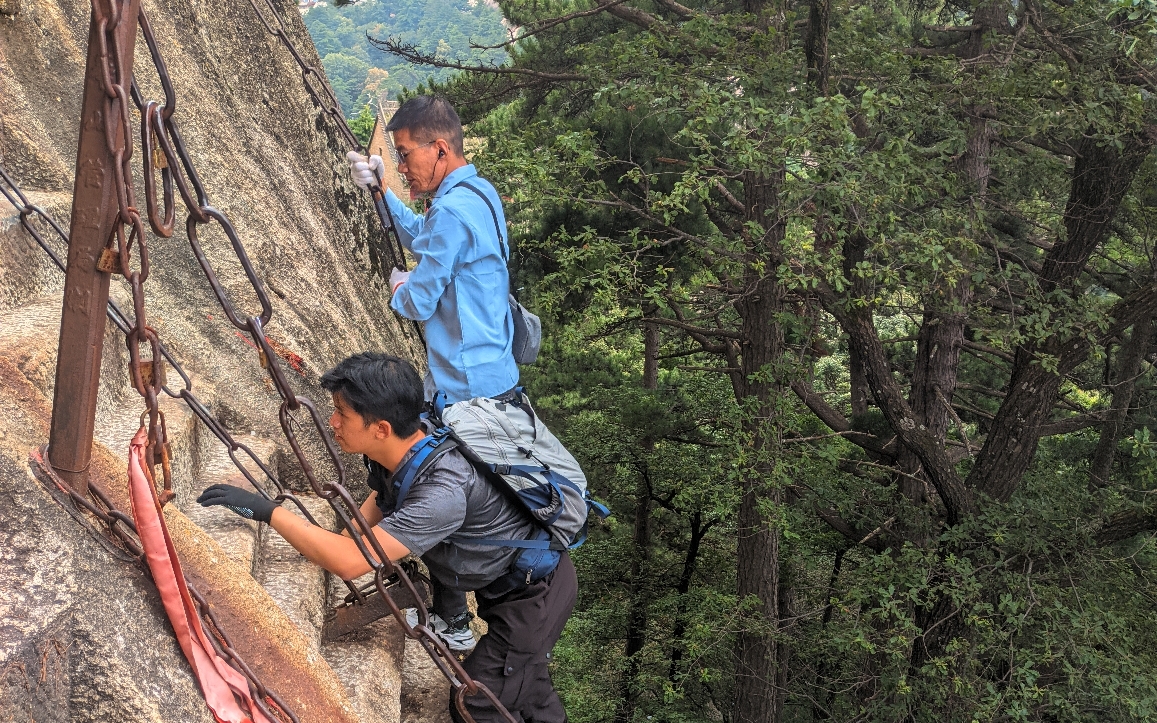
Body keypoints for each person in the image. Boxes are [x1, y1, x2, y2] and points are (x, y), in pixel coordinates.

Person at [198, 353, 577, 723]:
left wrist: (268, 512)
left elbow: (350, 559)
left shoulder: (442, 492)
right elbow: (366, 523)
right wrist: (338, 541)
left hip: (534, 597)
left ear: (380, 428)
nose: (332, 422)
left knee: (476, 702)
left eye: (341, 414)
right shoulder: (407, 447)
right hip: (510, 588)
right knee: (529, 683)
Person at [348, 95, 519, 649]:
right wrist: (382, 194)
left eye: (404, 155)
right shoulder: (479, 194)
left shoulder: (452, 209)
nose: (402, 166)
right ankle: (447, 608)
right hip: (495, 378)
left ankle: (452, 622)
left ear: (439, 148)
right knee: (422, 469)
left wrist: (399, 286)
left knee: (437, 489)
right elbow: (424, 237)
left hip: (465, 389)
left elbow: (419, 300)